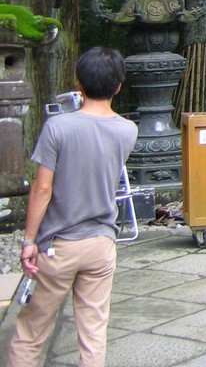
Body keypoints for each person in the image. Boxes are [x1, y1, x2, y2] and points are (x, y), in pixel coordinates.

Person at [8, 47, 138, 367]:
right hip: (101, 243)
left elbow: (42, 189)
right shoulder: (128, 130)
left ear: (79, 84)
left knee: (31, 331)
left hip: (59, 245)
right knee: (93, 332)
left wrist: (28, 241)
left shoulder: (58, 127)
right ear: (118, 86)